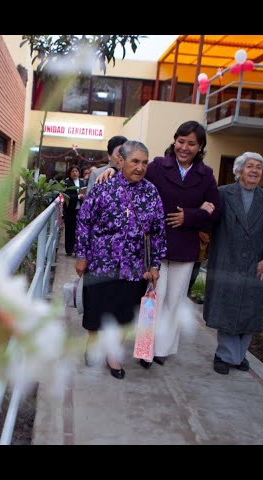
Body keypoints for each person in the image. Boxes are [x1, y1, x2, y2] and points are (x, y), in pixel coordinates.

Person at [96, 121, 220, 368]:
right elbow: (132, 176)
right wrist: (109, 172)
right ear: (174, 141)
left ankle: (163, 349)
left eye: (191, 143)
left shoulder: (205, 175)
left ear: (200, 147)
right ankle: (145, 349)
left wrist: (191, 216)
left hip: (185, 247)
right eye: (181, 141)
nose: (184, 147)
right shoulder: (156, 166)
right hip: (153, 248)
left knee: (175, 300)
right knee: (153, 300)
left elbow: (215, 211)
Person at [75, 140, 167, 379]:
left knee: (124, 313)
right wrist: (82, 255)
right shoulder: (102, 186)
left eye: (144, 162)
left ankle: (113, 355)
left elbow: (157, 232)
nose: (140, 167)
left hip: (134, 267)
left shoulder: (151, 192)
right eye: (135, 161)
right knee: (97, 310)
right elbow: (84, 222)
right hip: (100, 263)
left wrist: (154, 264)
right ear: (120, 161)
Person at [203, 152, 263, 375]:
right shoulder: (223, 193)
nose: (254, 171)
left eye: (258, 167)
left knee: (248, 311)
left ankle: (239, 355)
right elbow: (211, 223)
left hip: (254, 264)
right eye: (249, 167)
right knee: (226, 309)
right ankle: (224, 356)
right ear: (239, 171)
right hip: (227, 260)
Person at [62, 165, 85, 256]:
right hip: (70, 210)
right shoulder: (67, 183)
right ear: (69, 173)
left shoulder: (82, 182)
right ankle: (69, 250)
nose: (75, 173)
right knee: (69, 230)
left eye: (76, 171)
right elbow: (66, 196)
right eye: (73, 171)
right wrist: (78, 197)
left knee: (79, 231)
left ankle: (77, 249)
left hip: (80, 210)